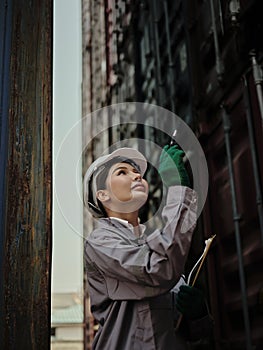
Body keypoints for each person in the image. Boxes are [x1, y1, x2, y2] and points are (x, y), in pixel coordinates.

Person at [83, 145, 208, 349]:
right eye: (122, 172)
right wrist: (178, 191)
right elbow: (158, 270)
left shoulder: (160, 242)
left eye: (137, 172)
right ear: (103, 195)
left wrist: (198, 316)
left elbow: (191, 336)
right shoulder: (100, 243)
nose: (136, 176)